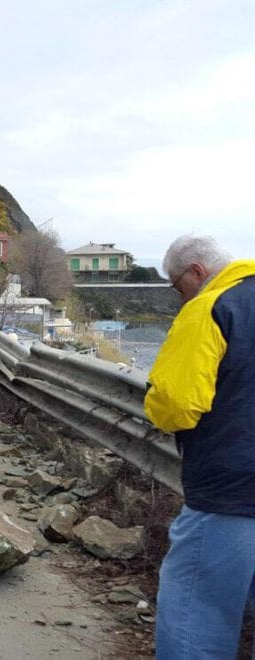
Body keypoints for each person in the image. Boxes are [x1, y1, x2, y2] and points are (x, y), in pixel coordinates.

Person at [144, 235, 255, 658]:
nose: (180, 297)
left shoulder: (212, 307)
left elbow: (175, 403)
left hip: (232, 493)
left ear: (197, 272)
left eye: (177, 287)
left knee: (197, 612)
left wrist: (155, 406)